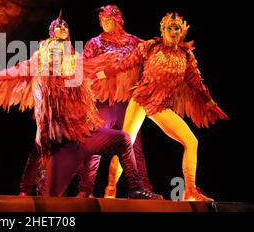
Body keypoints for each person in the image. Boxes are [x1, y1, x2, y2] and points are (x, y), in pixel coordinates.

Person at [0, 14, 162, 199]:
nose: (62, 31)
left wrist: (106, 64)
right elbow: (23, 68)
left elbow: (89, 69)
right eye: (57, 29)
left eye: (65, 28)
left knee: (123, 139)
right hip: (60, 144)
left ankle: (134, 188)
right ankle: (32, 189)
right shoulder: (41, 61)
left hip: (82, 136)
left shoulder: (74, 61)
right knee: (50, 196)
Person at [90, 12, 228, 201]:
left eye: (176, 29)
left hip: (160, 106)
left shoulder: (186, 57)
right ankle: (111, 189)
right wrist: (99, 75)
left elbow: (197, 84)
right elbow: (125, 64)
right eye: (169, 28)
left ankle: (190, 191)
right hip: (141, 99)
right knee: (126, 144)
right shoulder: (151, 47)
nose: (172, 32)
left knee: (192, 142)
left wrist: (211, 103)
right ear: (162, 31)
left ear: (181, 32)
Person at [82, 5, 155, 198]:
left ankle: (143, 188)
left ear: (118, 20)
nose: (105, 23)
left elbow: (152, 54)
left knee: (133, 145)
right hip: (103, 102)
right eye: (103, 20)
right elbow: (83, 65)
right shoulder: (94, 43)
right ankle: (85, 190)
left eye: (109, 20)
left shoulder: (134, 42)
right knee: (94, 143)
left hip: (126, 102)